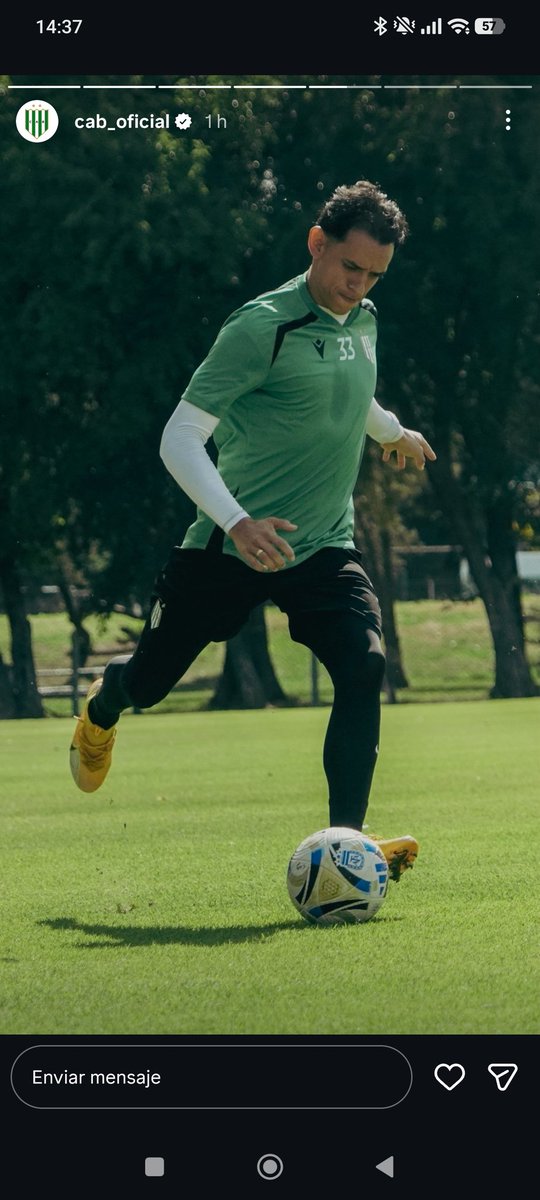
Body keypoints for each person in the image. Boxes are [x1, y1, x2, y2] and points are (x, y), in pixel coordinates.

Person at [69, 180, 436, 882]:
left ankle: (346, 847)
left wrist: (393, 431)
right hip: (228, 547)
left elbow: (351, 391)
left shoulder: (363, 320)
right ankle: (102, 707)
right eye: (349, 267)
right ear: (316, 244)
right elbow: (179, 437)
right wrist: (236, 522)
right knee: (149, 683)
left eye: (374, 275)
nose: (357, 286)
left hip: (322, 544)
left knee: (364, 665)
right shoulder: (260, 327)